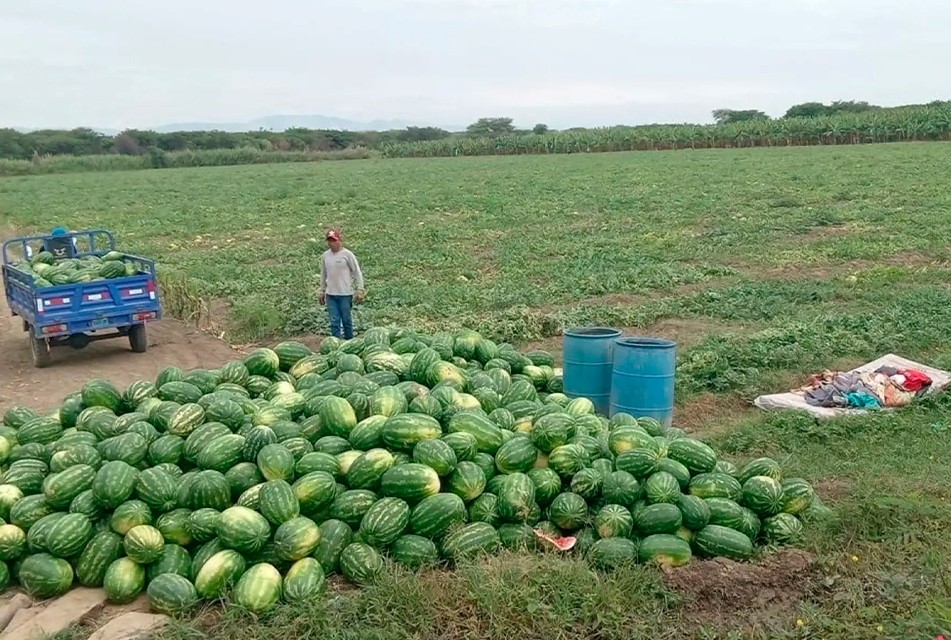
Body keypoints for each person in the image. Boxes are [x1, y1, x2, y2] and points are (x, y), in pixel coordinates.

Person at [318, 228, 365, 340]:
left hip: (345, 294)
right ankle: (337, 343)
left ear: (339, 240)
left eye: (334, 240)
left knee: (346, 320)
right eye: (329, 241)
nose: (332, 243)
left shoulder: (347, 255)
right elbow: (324, 274)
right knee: (334, 321)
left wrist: (360, 289)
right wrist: (322, 290)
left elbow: (357, 272)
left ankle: (349, 341)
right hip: (331, 294)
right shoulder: (325, 256)